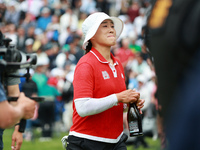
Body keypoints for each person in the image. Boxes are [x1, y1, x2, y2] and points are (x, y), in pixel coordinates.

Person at [63, 12, 145, 150]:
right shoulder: (86, 64)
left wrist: (129, 102)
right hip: (86, 142)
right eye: (105, 26)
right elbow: (82, 108)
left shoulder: (117, 63)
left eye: (112, 26)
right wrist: (118, 97)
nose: (111, 29)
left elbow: (114, 103)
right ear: (92, 35)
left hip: (116, 140)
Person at [0, 73, 36, 150]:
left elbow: (14, 96)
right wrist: (23, 108)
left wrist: (18, 129)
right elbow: (4, 119)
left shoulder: (10, 65)